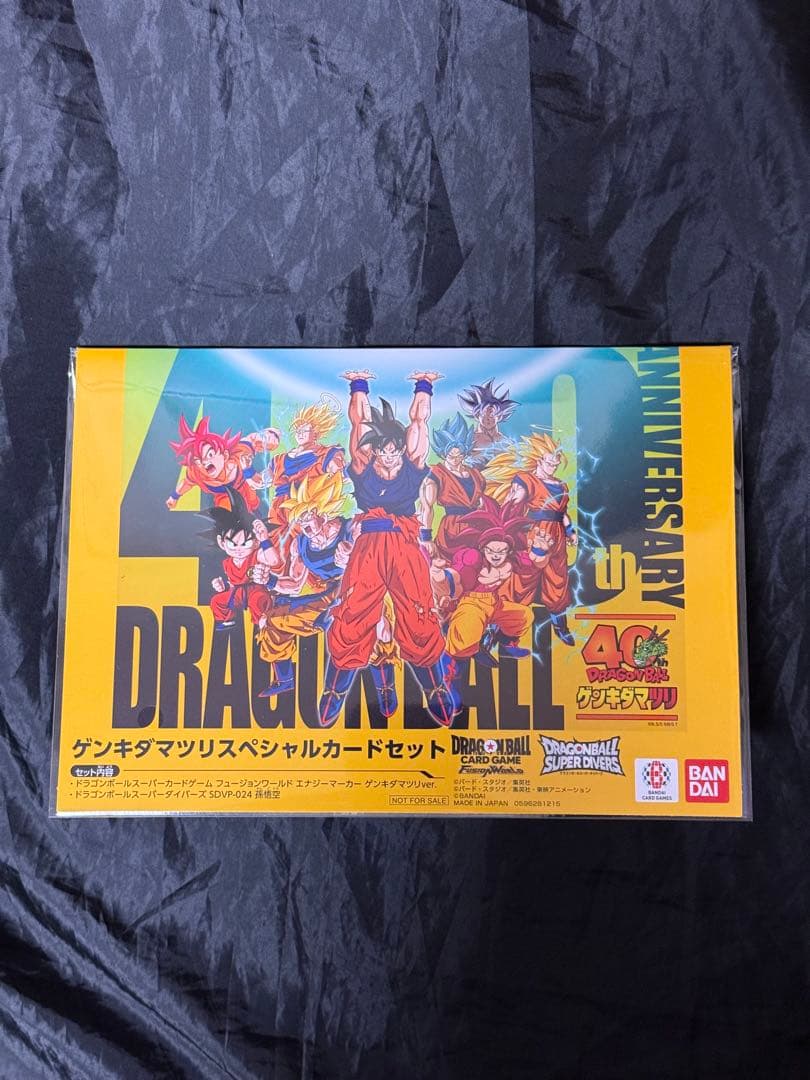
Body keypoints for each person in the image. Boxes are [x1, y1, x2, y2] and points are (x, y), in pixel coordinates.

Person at [318, 370, 457, 728]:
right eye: (383, 451)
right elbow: (359, 422)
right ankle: (335, 689)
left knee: (418, 612)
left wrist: (424, 385)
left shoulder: (412, 467)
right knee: (353, 613)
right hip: (368, 547)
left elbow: (419, 422)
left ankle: (435, 688)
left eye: (395, 450)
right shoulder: (363, 467)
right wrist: (358, 386)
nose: (390, 457)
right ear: (375, 451)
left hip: (404, 546)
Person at [254, 472, 397, 716]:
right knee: (276, 620)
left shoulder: (352, 528)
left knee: (376, 633)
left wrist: (353, 559)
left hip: (364, 592)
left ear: (323, 510)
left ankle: (385, 686)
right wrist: (270, 580)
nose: (304, 523)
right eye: (299, 517)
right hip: (328, 597)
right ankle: (285, 679)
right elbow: (294, 584)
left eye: (307, 515)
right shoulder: (301, 544)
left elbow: (382, 556)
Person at [486, 432, 578, 645]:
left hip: (557, 537)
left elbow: (562, 513)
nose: (553, 466)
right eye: (549, 462)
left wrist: (570, 531)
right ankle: (494, 628)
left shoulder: (561, 485)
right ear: (539, 459)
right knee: (520, 581)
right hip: (534, 534)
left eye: (556, 463)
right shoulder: (525, 480)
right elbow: (511, 505)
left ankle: (561, 627)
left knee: (557, 581)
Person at [433, 496, 536, 672]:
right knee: (464, 638)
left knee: (523, 616)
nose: (496, 555)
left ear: (509, 550)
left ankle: (506, 644)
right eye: (491, 550)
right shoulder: (472, 558)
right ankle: (451, 672)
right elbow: (456, 579)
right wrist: (441, 579)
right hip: (471, 603)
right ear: (483, 547)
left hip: (494, 603)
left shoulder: (512, 559)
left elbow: (533, 563)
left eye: (501, 551)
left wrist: (540, 549)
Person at [167, 415, 279, 512]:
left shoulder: (240, 456)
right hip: (224, 497)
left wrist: (270, 435)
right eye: (199, 460)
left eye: (210, 455)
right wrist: (174, 497)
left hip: (245, 489)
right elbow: (187, 483)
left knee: (252, 504)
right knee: (226, 513)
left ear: (224, 455)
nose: (204, 462)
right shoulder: (197, 472)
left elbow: (252, 439)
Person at [419, 413, 486, 560]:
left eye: (460, 455)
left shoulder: (475, 474)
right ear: (443, 453)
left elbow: (482, 504)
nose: (456, 460)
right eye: (451, 456)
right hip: (451, 531)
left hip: (476, 530)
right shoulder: (436, 475)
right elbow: (426, 507)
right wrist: (426, 538)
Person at [267, 398, 345, 525]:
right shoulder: (279, 459)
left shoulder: (326, 454)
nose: (300, 433)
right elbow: (263, 480)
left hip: (306, 513)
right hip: (277, 512)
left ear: (316, 433)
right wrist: (247, 470)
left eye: (304, 430)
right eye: (297, 430)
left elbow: (343, 475)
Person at [458, 379, 519, 460]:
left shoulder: (506, 441)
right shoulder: (469, 440)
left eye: (492, 415)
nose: (488, 419)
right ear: (477, 416)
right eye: (483, 415)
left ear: (499, 417)